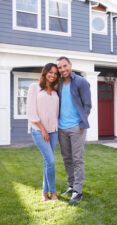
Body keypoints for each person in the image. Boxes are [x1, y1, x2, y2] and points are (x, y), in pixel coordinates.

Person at [57, 56, 91, 203]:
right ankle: (71, 186)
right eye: (60, 67)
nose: (62, 69)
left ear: (70, 65)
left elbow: (87, 105)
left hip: (76, 127)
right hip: (61, 127)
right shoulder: (58, 83)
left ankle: (78, 191)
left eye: (65, 66)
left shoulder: (81, 82)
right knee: (67, 159)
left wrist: (82, 124)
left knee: (77, 159)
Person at [27, 63, 60, 201]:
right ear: (45, 72)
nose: (53, 75)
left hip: (53, 131)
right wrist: (43, 129)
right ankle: (53, 193)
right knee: (51, 161)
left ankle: (44, 193)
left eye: (55, 73)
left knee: (48, 162)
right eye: (50, 72)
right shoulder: (34, 87)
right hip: (39, 130)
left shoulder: (55, 90)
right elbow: (31, 111)